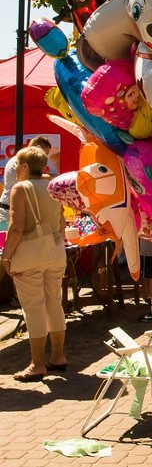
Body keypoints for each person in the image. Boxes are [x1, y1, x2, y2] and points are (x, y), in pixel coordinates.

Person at [1, 146, 67, 380]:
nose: (16, 168)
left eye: (18, 164)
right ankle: (58, 356)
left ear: (27, 166)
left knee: (34, 308)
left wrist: (6, 257)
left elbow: (17, 227)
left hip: (31, 253)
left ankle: (37, 364)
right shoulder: (53, 185)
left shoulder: (21, 188)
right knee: (54, 302)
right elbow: (61, 222)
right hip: (56, 250)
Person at [0, 135, 55, 233]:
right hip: (7, 211)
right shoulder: (20, 161)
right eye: (45, 153)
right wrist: (56, 178)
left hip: (13, 210)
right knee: (4, 242)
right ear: (37, 147)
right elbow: (33, 178)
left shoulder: (23, 161)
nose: (45, 157)